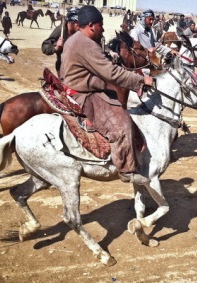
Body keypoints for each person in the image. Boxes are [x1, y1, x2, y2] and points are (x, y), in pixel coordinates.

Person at [61, 5, 154, 184]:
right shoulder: (85, 43)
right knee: (122, 123)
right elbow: (111, 73)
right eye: (101, 25)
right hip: (83, 93)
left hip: (79, 86)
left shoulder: (76, 39)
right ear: (91, 25)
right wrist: (141, 80)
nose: (103, 29)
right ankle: (127, 170)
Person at [42, 7, 80, 77]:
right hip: (63, 66)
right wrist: (56, 47)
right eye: (78, 23)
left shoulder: (80, 30)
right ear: (71, 22)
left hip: (77, 66)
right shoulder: (60, 30)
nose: (80, 26)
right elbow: (45, 47)